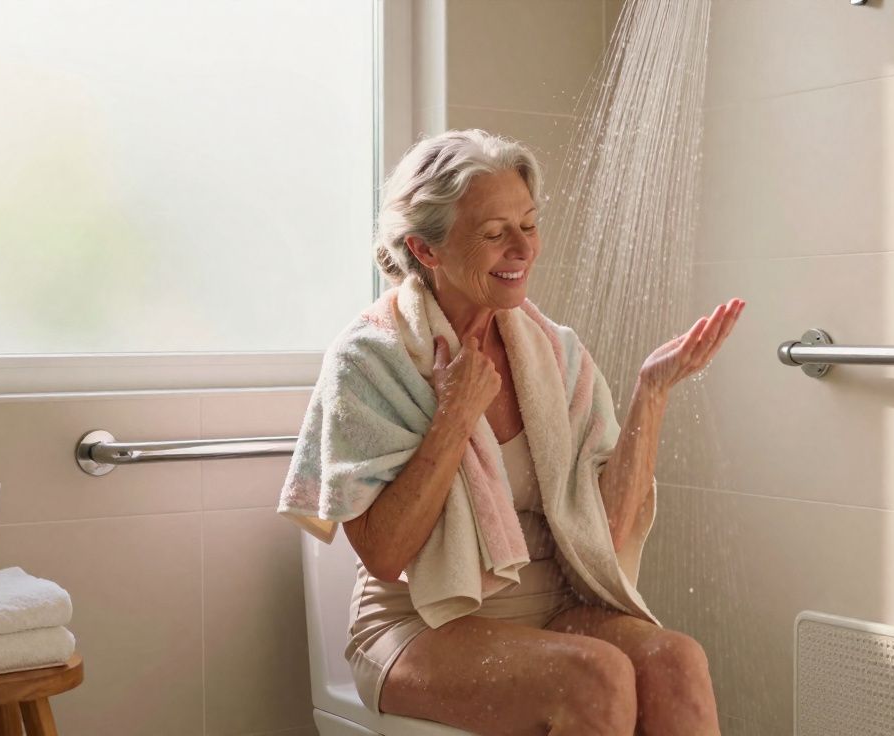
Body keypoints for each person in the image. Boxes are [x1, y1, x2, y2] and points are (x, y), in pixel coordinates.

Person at [280, 129, 744, 735]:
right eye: (495, 233)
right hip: (417, 626)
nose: (522, 248)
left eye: (528, 225)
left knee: (676, 660)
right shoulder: (372, 360)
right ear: (425, 250)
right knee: (594, 675)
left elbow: (607, 534)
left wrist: (650, 393)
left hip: (549, 612)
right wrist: (453, 415)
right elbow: (384, 555)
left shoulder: (554, 354)